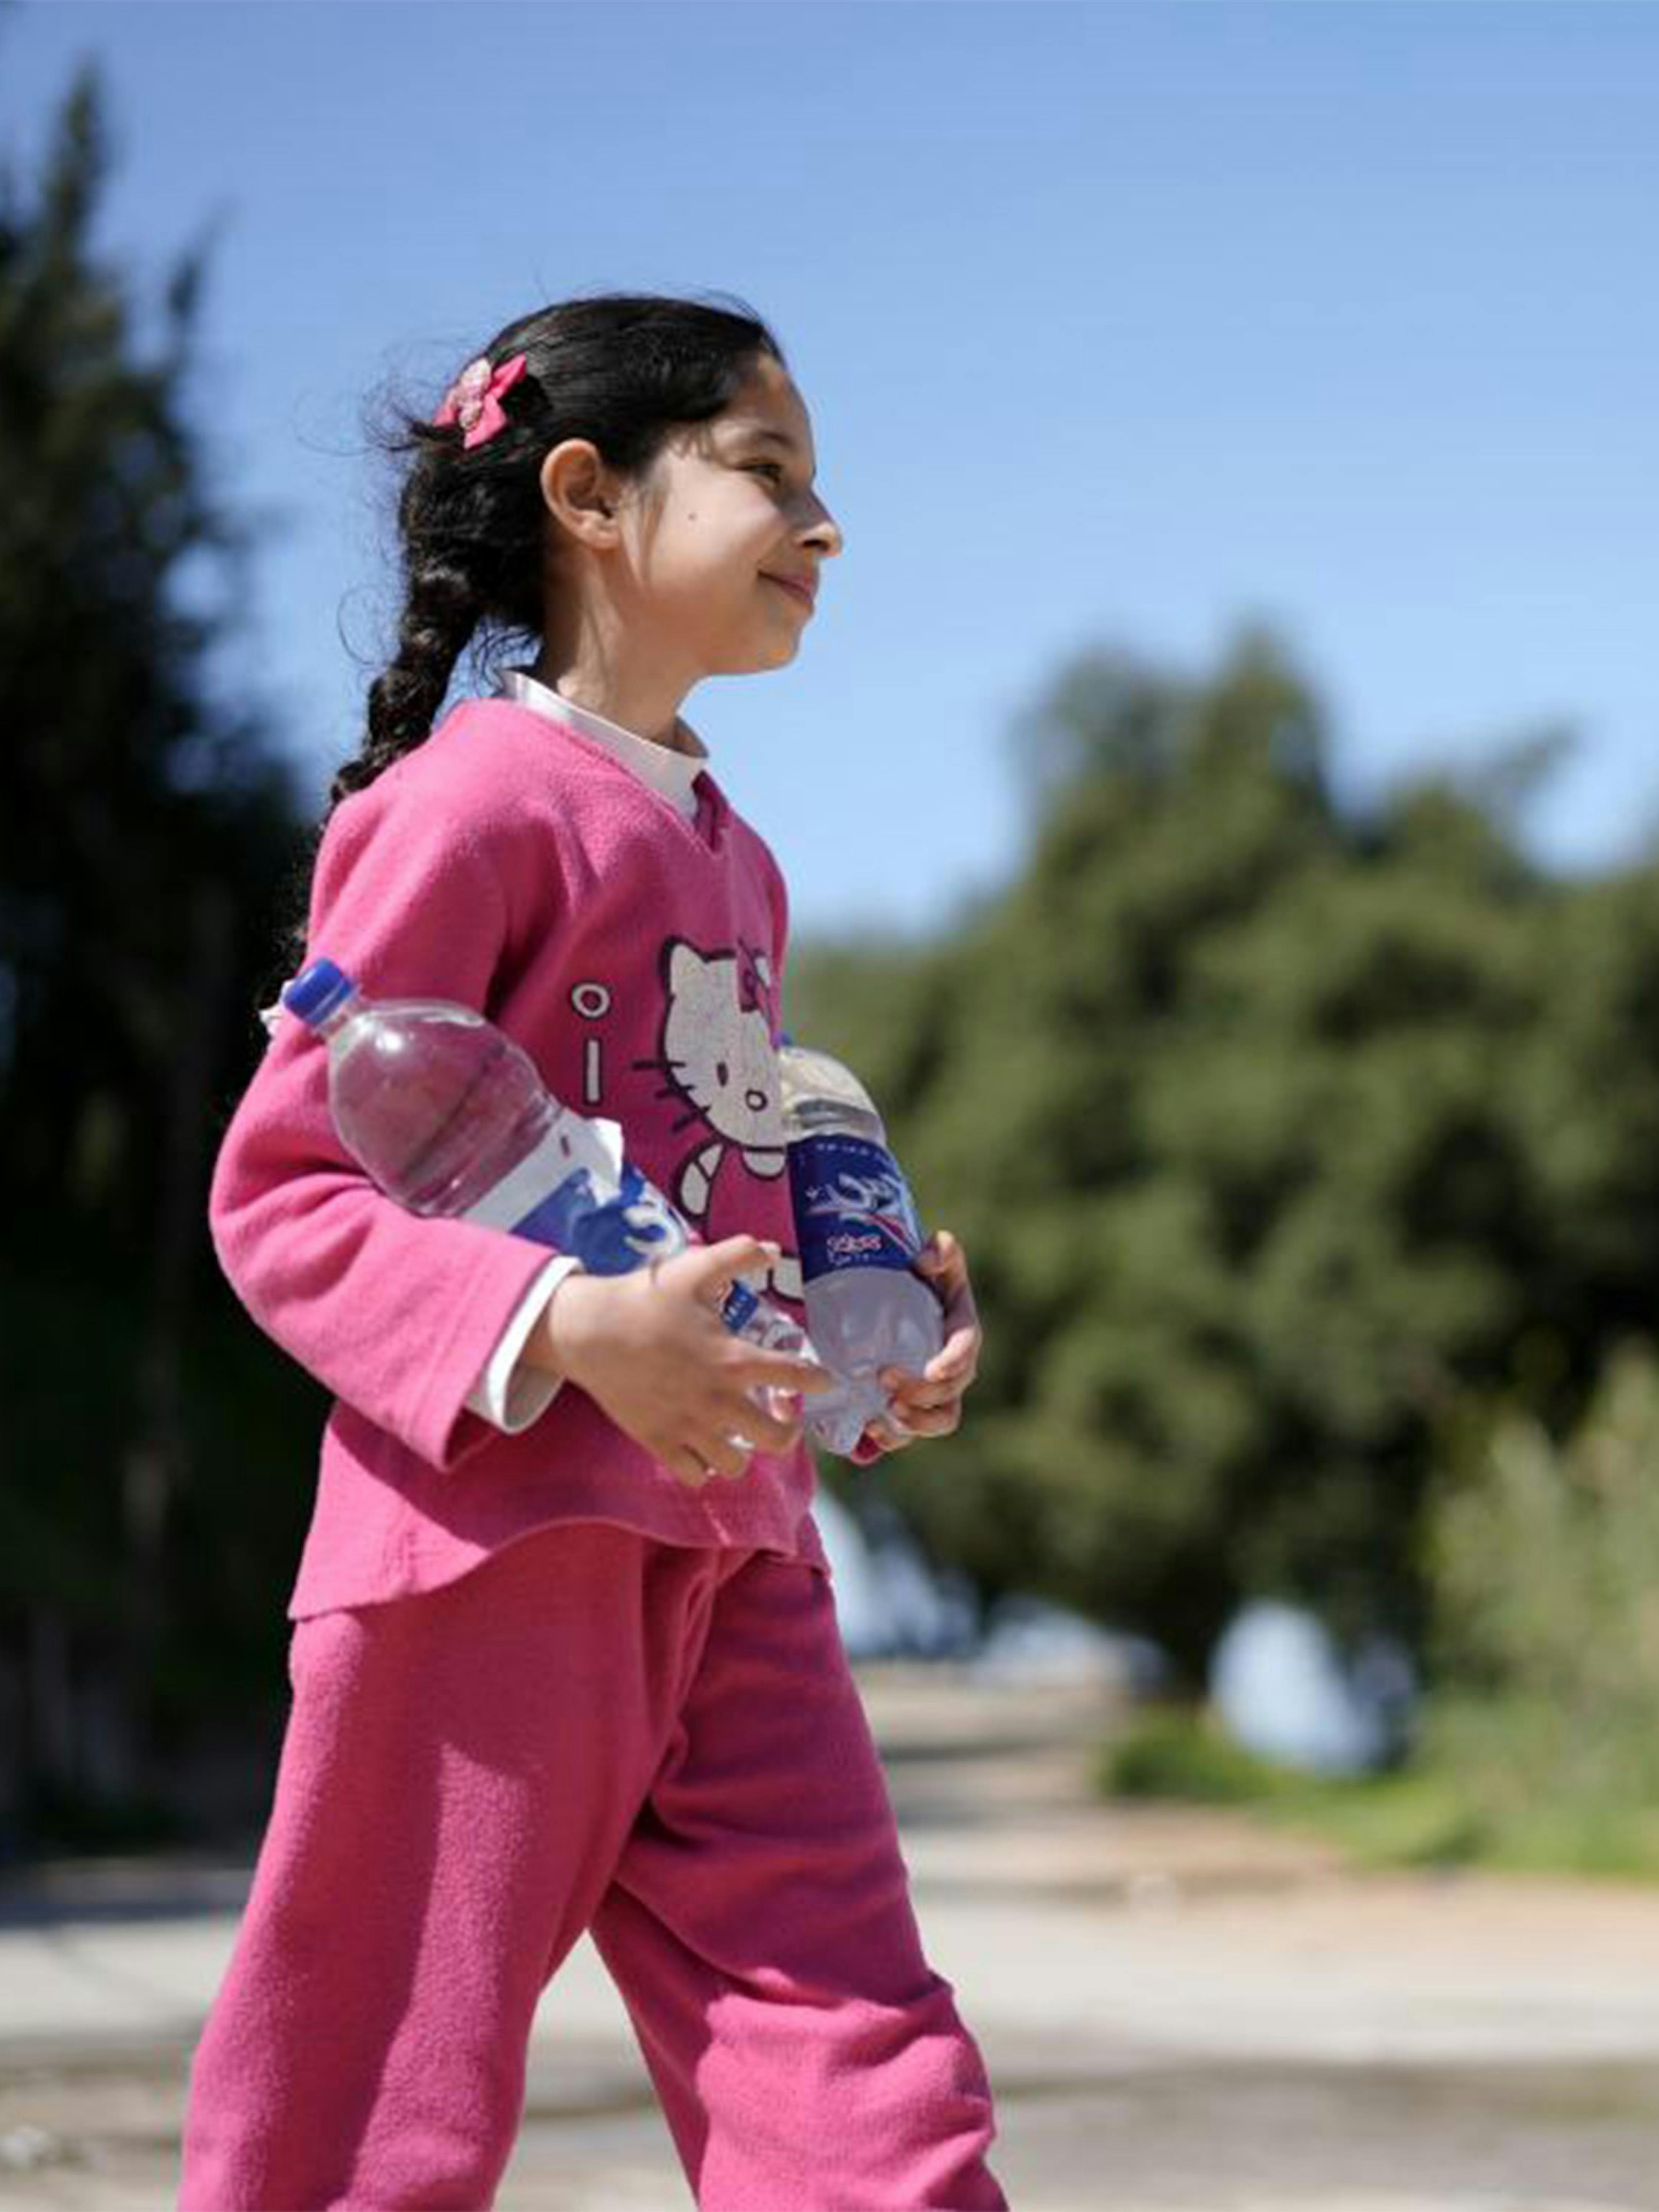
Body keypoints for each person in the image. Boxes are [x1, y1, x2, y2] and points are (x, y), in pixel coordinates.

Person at [184, 294, 1009, 2210]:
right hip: (488, 1561)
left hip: (739, 1556)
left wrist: (861, 1358)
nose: (822, 526)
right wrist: (566, 1326)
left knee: (857, 2054)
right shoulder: (467, 804)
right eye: (769, 474)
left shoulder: (740, 856)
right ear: (588, 496)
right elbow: (286, 1194)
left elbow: (707, 1184)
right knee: (373, 2090)